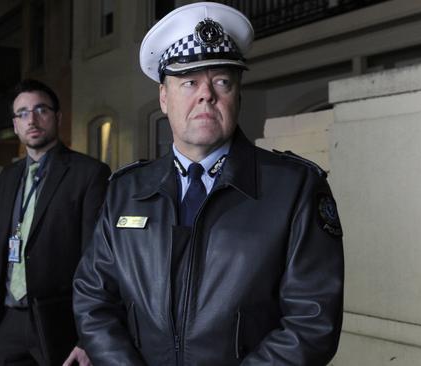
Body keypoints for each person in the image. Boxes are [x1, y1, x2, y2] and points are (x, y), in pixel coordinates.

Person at [73, 2, 344, 365]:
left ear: (237, 95)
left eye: (221, 81)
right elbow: (94, 299)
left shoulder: (294, 189)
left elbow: (312, 322)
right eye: (189, 81)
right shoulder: (126, 191)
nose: (206, 94)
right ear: (164, 98)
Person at [0, 79, 111, 366]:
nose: (32, 119)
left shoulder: (89, 174)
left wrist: (87, 336)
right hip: (6, 321)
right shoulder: (8, 176)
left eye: (41, 110)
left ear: (58, 117)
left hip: (58, 323)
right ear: (15, 125)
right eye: (23, 113)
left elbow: (97, 260)